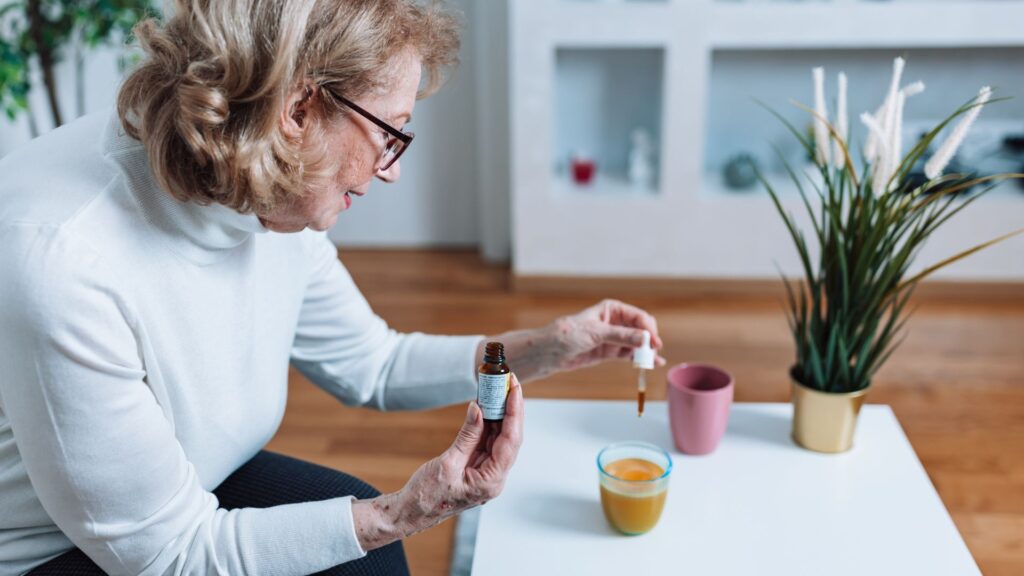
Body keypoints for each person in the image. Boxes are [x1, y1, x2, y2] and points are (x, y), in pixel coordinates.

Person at [0, 1, 665, 574]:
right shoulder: (63, 263)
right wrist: (405, 511)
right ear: (298, 108)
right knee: (371, 540)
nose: (391, 170)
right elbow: (170, 555)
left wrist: (550, 347)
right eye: (388, 134)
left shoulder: (266, 175)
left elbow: (372, 363)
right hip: (60, 554)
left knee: (368, 559)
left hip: (187, 493)